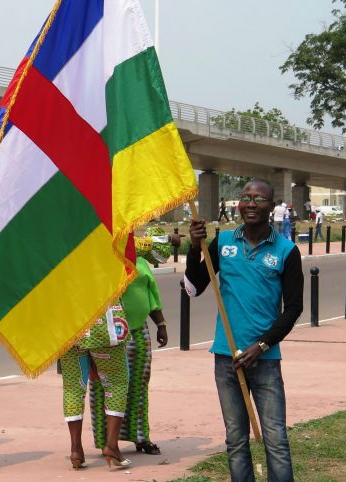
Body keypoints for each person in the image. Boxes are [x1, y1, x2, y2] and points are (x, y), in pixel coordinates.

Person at [185, 178, 304, 482]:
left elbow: (293, 308)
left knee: (275, 440)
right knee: (235, 440)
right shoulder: (223, 242)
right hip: (226, 359)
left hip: (264, 361)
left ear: (272, 206)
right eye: (245, 197)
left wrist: (261, 346)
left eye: (259, 199)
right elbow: (193, 288)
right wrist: (193, 247)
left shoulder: (287, 251)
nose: (251, 204)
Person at [89, 254, 168, 456]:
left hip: (138, 333)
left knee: (138, 385)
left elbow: (150, 295)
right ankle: (106, 441)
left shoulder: (139, 261)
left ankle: (141, 437)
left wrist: (161, 325)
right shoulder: (99, 259)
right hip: (106, 334)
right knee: (103, 386)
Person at [60, 304, 131, 470]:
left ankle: (76, 450)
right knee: (116, 382)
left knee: (73, 387)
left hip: (69, 325)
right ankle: (112, 446)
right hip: (103, 325)